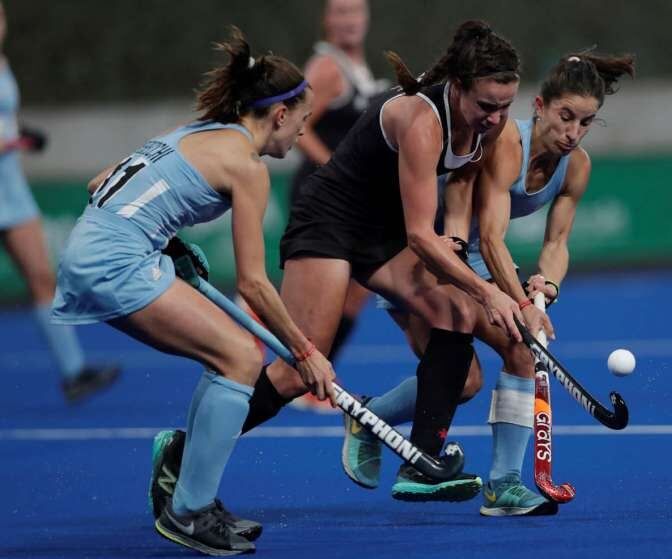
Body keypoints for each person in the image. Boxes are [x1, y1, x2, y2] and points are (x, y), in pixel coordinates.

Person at [148, 19, 527, 513]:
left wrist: (458, 249)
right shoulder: (423, 121)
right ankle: (180, 451)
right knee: (298, 372)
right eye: (486, 106)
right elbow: (419, 235)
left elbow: (458, 187)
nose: (496, 118)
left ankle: (421, 463)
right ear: (457, 87)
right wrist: (489, 289)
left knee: (456, 311)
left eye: (505, 106)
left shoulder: (484, 127)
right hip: (329, 222)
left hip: (379, 230)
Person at [51, 28, 334, 556]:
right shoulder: (247, 167)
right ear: (279, 115)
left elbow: (100, 184)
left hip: (95, 248)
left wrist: (169, 240)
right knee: (240, 358)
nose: (302, 132)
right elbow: (253, 283)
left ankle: (188, 493)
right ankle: (188, 511)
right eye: (303, 119)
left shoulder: (197, 129)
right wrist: (304, 351)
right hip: (117, 262)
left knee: (229, 357)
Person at [342, 51, 636, 516]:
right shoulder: (505, 143)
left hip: (477, 258)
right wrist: (522, 304)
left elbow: (557, 243)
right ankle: (372, 419)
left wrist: (548, 287)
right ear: (539, 106)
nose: (573, 132)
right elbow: (495, 237)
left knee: (509, 358)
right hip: (424, 254)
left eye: (585, 122)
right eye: (565, 117)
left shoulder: (576, 166)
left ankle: (502, 485)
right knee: (466, 376)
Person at [0, 1, 119, 403]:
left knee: (42, 277)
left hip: (12, 191)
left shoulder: (3, 63)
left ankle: (74, 373)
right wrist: (11, 139)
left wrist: (21, 133)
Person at [288, 0, 386, 412]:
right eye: (340, 13)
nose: (349, 21)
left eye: (355, 12)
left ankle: (320, 374)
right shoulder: (326, 68)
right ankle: (305, 381)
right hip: (324, 196)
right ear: (327, 20)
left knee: (356, 292)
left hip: (353, 200)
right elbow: (298, 126)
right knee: (324, 298)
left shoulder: (357, 67)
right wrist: (336, 169)